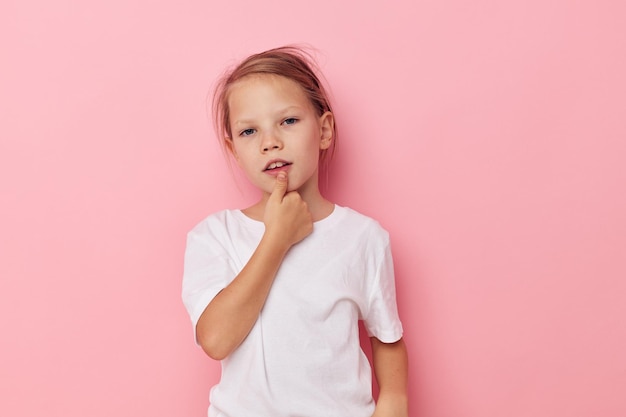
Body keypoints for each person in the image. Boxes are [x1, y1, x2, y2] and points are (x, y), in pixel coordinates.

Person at [182, 46, 408, 417]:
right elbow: (217, 339)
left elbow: (387, 338)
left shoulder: (363, 238)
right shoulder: (214, 236)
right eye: (249, 130)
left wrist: (394, 404)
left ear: (324, 130)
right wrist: (277, 238)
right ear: (233, 149)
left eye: (288, 121)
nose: (269, 141)